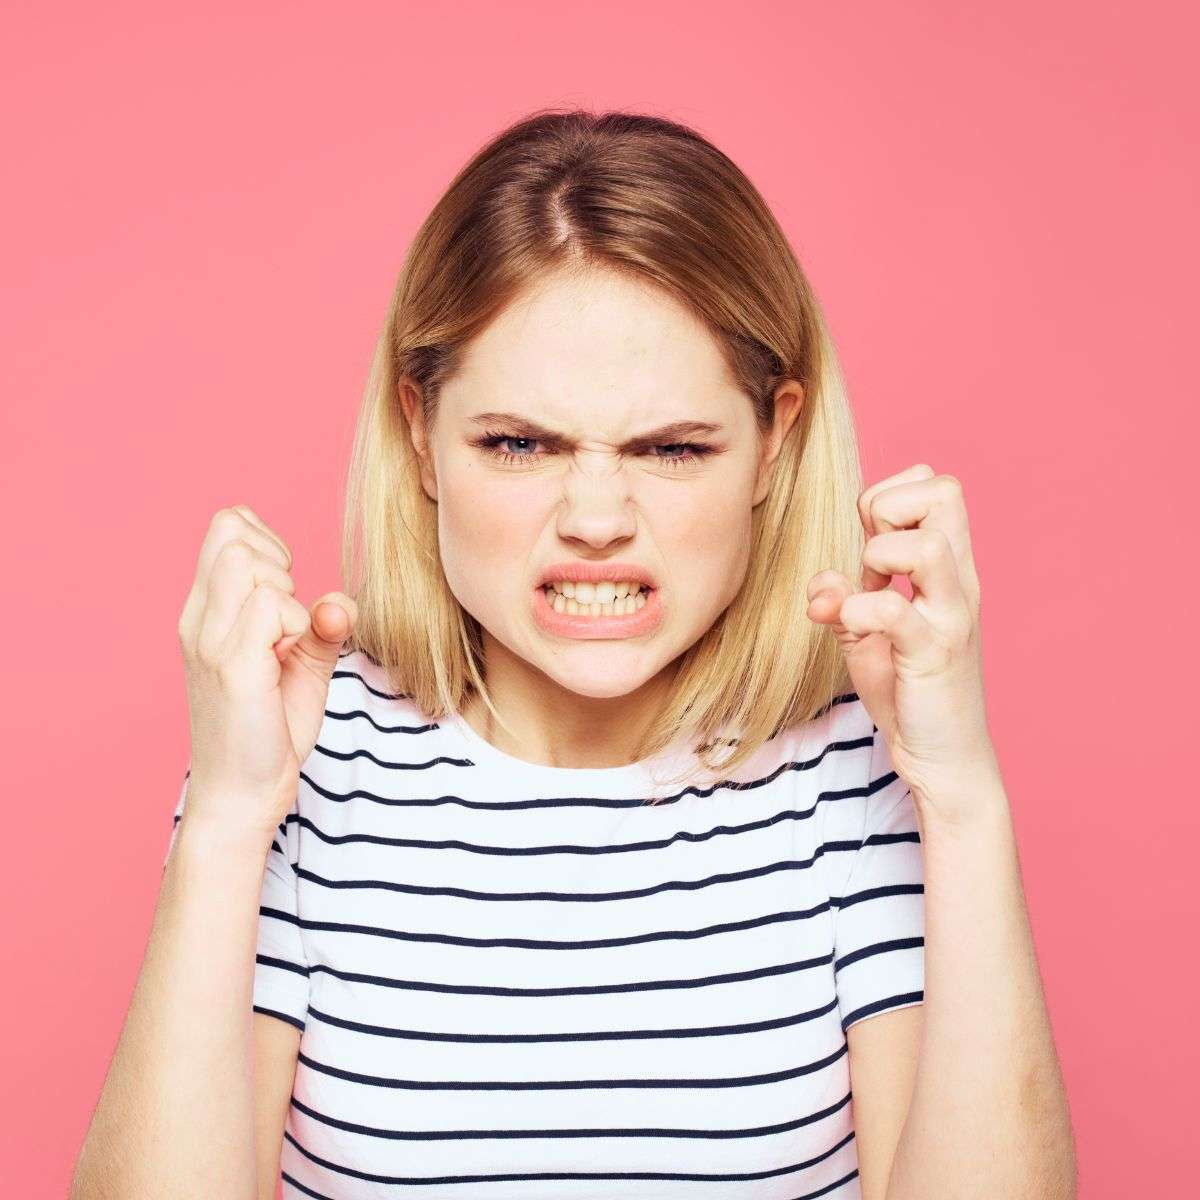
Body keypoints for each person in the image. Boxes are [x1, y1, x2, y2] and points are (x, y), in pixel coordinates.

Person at [70, 109, 1075, 1199]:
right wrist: (225, 819)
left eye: (673, 448)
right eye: (518, 442)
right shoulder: (301, 764)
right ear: (421, 433)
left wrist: (963, 798)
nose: (597, 517)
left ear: (772, 446)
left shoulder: (856, 776)